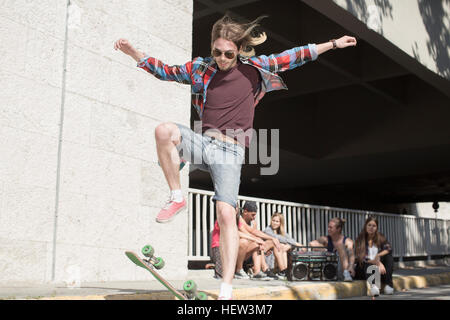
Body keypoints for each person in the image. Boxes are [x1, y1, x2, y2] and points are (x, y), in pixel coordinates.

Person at [114, 14, 357, 300]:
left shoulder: (256, 68)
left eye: (228, 53)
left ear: (239, 50)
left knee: (226, 213)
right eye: (217, 52)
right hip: (203, 142)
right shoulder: (201, 68)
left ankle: (227, 286)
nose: (222, 58)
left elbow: (295, 56)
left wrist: (333, 43)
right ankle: (177, 195)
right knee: (164, 131)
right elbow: (166, 70)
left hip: (230, 153)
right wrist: (135, 54)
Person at [354, 216, 394, 296]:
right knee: (368, 262)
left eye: (374, 226)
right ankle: (374, 286)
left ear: (377, 228)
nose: (371, 227)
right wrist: (378, 263)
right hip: (363, 270)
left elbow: (388, 248)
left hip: (377, 270)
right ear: (365, 226)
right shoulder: (360, 239)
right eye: (369, 225)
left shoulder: (380, 237)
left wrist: (378, 256)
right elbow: (363, 258)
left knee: (388, 257)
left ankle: (388, 285)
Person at [263, 212, 305, 279]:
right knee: (280, 245)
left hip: (277, 260)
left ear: (280, 223)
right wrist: (296, 243)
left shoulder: (282, 233)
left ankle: (283, 272)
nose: (274, 223)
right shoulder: (267, 231)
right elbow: (278, 238)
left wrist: (289, 245)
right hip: (268, 260)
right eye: (273, 220)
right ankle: (283, 271)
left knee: (285, 247)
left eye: (277, 221)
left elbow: (290, 240)